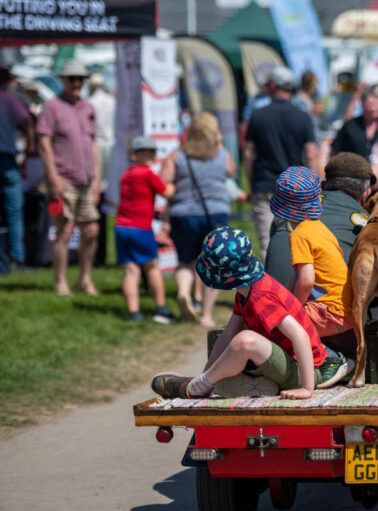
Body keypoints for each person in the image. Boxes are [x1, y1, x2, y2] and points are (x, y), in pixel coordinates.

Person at [151, 227, 352, 400]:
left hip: (306, 372)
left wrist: (307, 388)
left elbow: (299, 335)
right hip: (289, 364)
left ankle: (197, 387)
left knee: (245, 341)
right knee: (230, 338)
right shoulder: (246, 290)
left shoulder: (260, 295)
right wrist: (206, 373)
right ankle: (214, 383)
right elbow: (228, 334)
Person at [160, 112, 236, 328]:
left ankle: (184, 293)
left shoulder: (177, 156)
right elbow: (231, 172)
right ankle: (206, 315)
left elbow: (163, 181)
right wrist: (219, 143)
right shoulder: (222, 154)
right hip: (216, 215)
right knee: (213, 264)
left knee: (185, 261)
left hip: (183, 214)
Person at [37, 60, 100, 296]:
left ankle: (84, 279)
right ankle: (60, 282)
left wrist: (97, 177)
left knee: (91, 230)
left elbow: (92, 144)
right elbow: (44, 144)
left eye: (80, 79)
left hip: (86, 179)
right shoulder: (51, 106)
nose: (76, 83)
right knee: (63, 231)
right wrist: (53, 177)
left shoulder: (87, 107)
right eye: (72, 79)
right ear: (63, 80)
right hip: (64, 178)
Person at [265, 152, 374, 288]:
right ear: (366, 194)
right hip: (323, 298)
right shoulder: (369, 225)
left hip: (270, 294)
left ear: (322, 185)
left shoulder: (287, 209)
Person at [270, 166, 354, 338]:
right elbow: (297, 276)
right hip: (342, 310)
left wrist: (293, 309)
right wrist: (284, 299)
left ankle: (326, 354)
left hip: (329, 312)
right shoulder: (319, 228)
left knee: (273, 323)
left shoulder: (300, 234)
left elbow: (306, 281)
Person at [243, 66, 317, 258]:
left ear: (274, 86)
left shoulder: (258, 116)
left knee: (268, 245)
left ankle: (273, 278)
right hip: (296, 188)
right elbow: (311, 155)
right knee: (298, 243)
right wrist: (313, 187)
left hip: (265, 185)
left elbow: (248, 155)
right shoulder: (303, 117)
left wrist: (252, 185)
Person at [115, 136, 176, 323]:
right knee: (152, 267)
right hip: (141, 228)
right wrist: (173, 185)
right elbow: (166, 192)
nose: (150, 156)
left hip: (121, 227)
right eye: (146, 153)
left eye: (152, 152)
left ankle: (134, 312)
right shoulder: (148, 174)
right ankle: (161, 308)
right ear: (134, 155)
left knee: (131, 270)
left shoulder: (125, 175)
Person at [0, 66, 34, 275]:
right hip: (6, 158)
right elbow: (27, 120)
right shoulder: (9, 100)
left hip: (7, 158)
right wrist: (30, 143)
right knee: (14, 213)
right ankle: (16, 258)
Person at [330, 86, 378, 159]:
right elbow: (335, 150)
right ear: (362, 105)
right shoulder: (350, 126)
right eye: (369, 105)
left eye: (376, 104)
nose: (372, 108)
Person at [87, 73, 114, 181]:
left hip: (96, 144)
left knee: (98, 178)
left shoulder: (89, 102)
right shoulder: (112, 101)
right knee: (111, 178)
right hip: (111, 142)